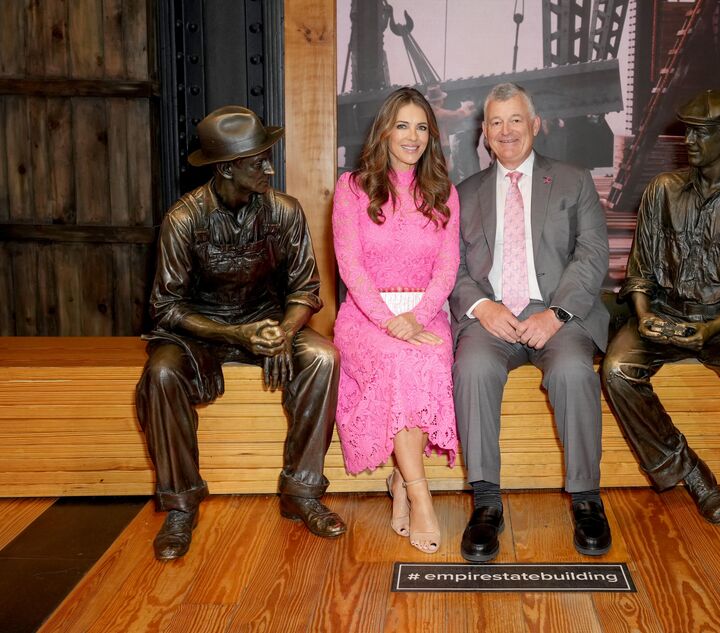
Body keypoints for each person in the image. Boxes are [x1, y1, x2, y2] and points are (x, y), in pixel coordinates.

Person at [135, 106, 345, 561]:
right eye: (257, 162)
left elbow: (306, 290)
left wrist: (283, 332)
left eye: (267, 158)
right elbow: (165, 307)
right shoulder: (183, 220)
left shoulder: (285, 211)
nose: (269, 168)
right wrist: (235, 334)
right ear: (226, 168)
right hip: (199, 329)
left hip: (268, 323)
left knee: (324, 358)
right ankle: (181, 504)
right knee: (161, 375)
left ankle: (301, 491)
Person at [601, 90, 720, 546]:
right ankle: (688, 471)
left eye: (700, 133)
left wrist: (710, 328)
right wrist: (643, 316)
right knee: (617, 370)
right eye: (687, 130)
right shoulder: (662, 191)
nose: (688, 140)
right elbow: (640, 272)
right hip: (664, 313)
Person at [450, 83, 611, 562]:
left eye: (515, 120)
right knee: (472, 368)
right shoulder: (464, 193)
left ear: (535, 124)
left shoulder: (573, 180)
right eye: (496, 122)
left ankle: (586, 499)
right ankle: (486, 502)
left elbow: (592, 253)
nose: (506, 131)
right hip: (492, 315)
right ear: (484, 132)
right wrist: (483, 307)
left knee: (573, 372)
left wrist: (557, 314)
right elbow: (451, 266)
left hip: (557, 312)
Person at [332, 87, 460, 554]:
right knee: (400, 359)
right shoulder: (352, 188)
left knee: (429, 356)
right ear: (384, 131)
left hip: (426, 313)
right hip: (366, 316)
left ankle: (403, 481)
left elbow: (447, 268)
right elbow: (350, 267)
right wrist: (390, 321)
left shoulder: (444, 192)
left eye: (422, 127)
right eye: (402, 125)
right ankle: (420, 494)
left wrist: (418, 317)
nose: (412, 136)